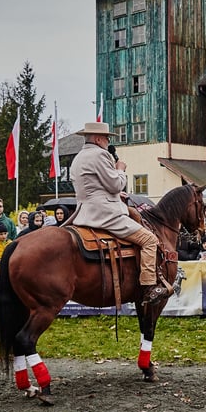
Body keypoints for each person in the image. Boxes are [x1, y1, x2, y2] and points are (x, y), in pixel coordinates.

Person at [69, 121, 167, 304]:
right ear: (98, 139)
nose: (108, 141)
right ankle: (149, 286)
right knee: (149, 240)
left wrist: (113, 194)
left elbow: (93, 186)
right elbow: (115, 184)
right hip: (105, 214)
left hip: (84, 212)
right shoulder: (100, 154)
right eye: (106, 138)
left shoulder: (79, 157)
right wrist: (120, 169)